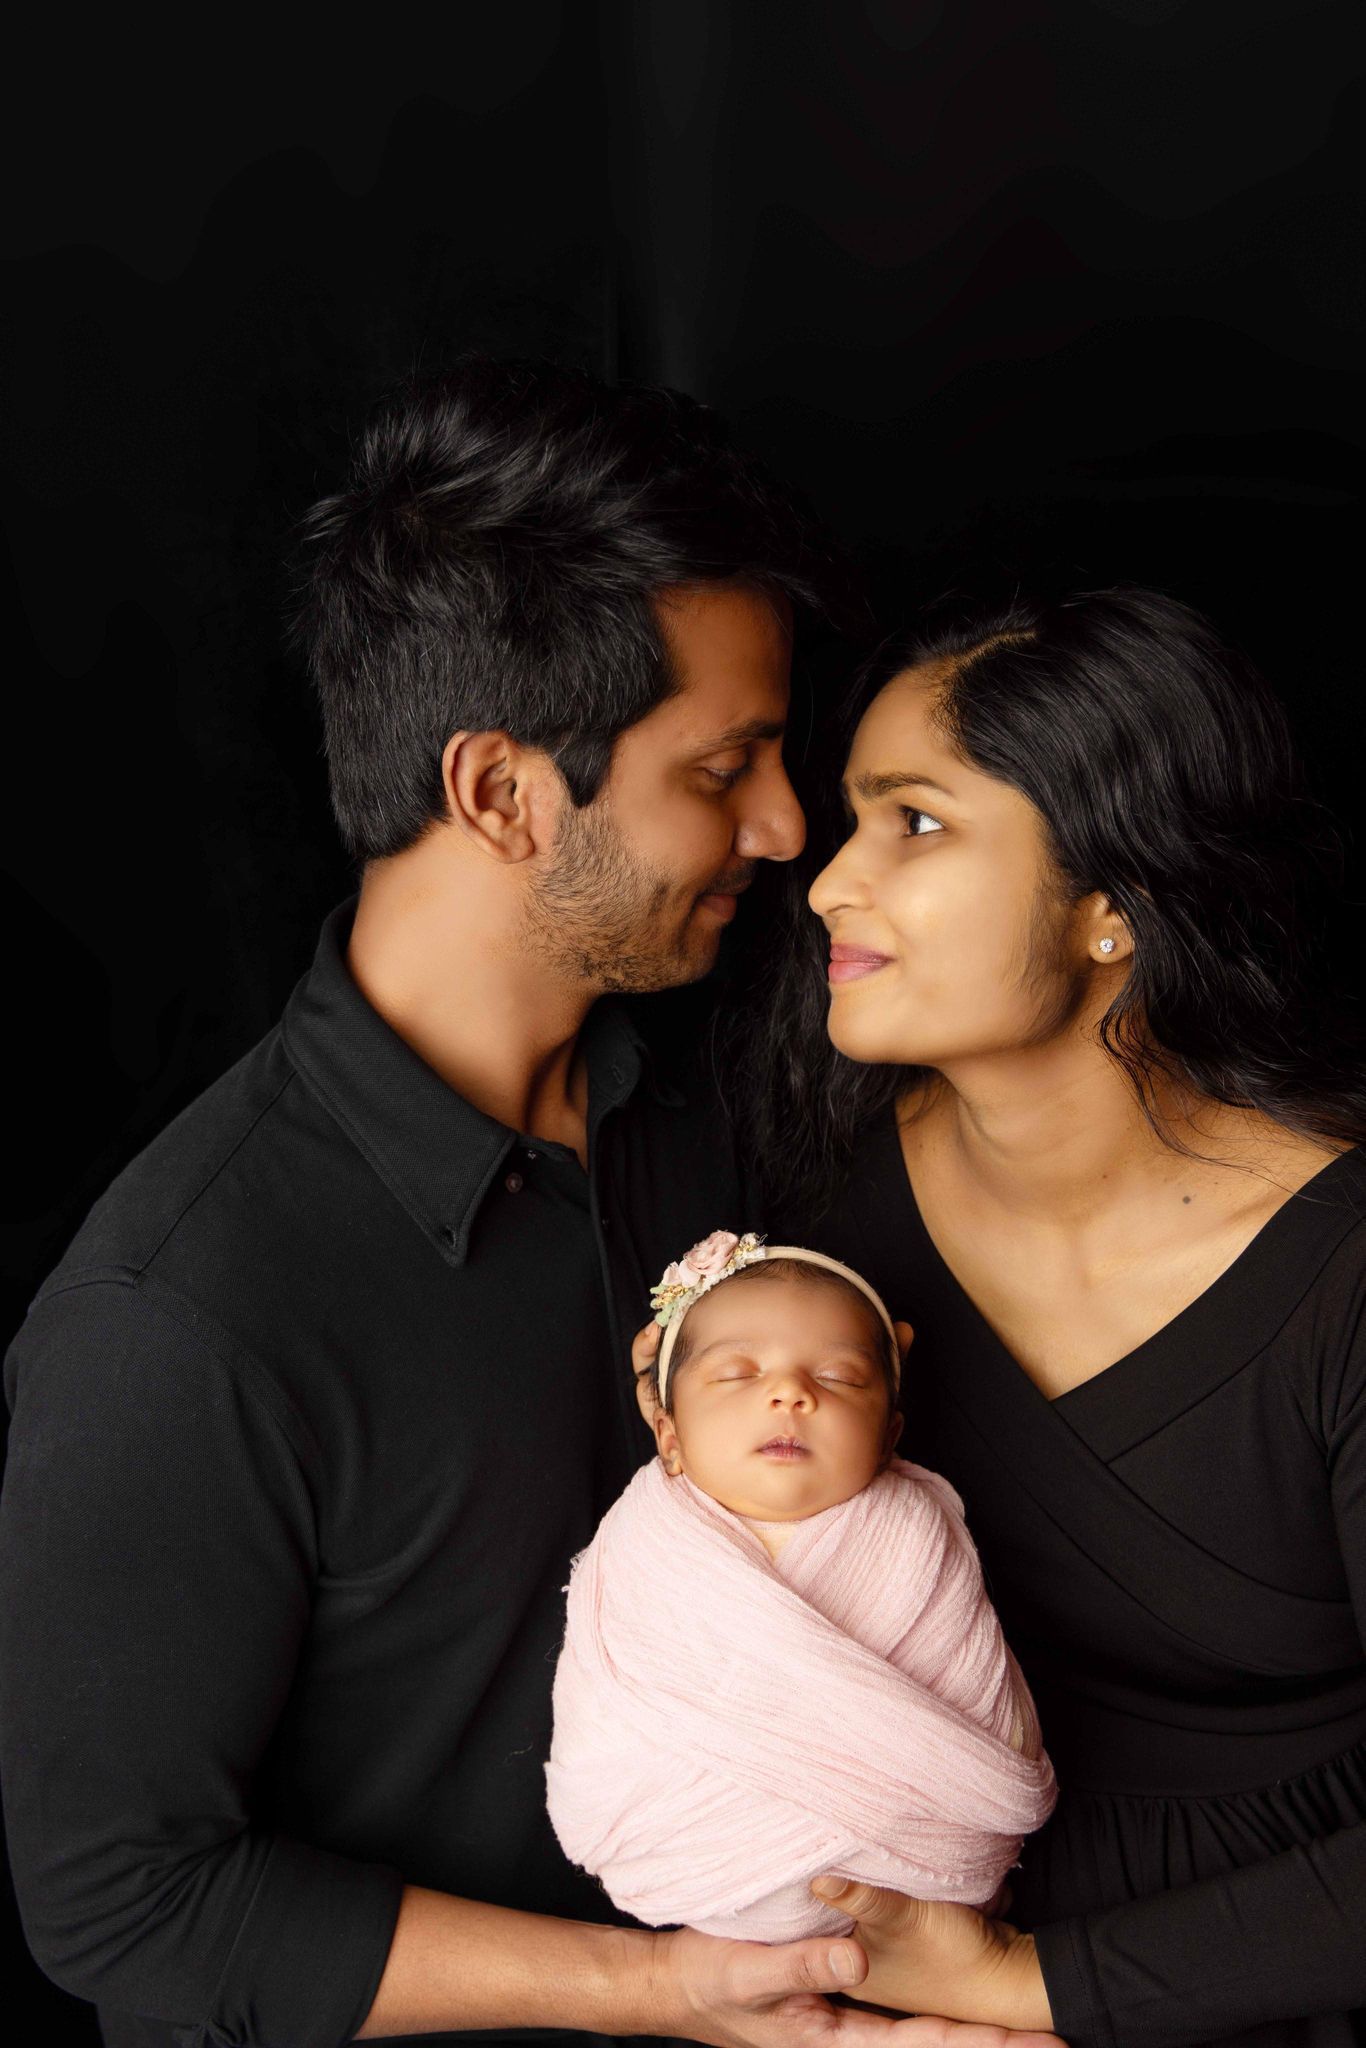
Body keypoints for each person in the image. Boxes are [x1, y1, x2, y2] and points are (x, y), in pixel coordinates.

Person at [0, 357, 918, 2048]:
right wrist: (659, 1996)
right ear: (499, 791)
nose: (788, 827)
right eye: (723, 768)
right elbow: (117, 1897)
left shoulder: (723, 1106)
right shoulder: (181, 1310)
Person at [728, 586, 1366, 2045]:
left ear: (1110, 911)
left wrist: (1027, 1994)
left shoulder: (1338, 1275)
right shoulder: (816, 1200)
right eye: (851, 819)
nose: (827, 882)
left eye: (916, 823)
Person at [546, 1233, 1054, 1946]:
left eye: (842, 1378)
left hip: (924, 1903)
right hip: (693, 1874)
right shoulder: (643, 1545)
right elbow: (597, 1727)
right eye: (735, 1375)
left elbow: (986, 1716)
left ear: (888, 1438)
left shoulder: (916, 1536)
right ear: (668, 1432)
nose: (791, 1392)